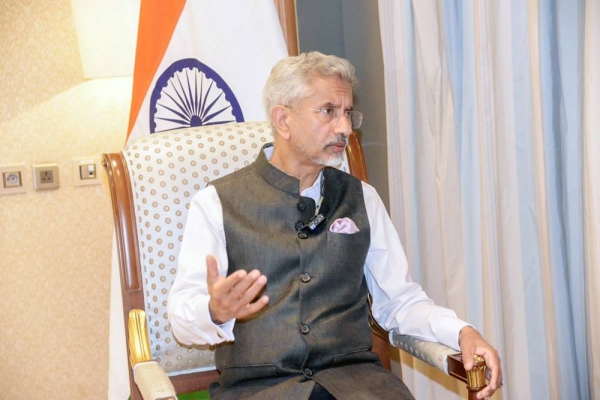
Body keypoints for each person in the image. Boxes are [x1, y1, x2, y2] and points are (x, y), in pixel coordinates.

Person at [168, 51, 502, 399]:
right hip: (260, 390)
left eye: (347, 114)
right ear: (283, 119)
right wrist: (215, 310)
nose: (344, 128)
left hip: (359, 387)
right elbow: (181, 318)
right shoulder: (217, 203)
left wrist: (462, 333)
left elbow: (399, 302)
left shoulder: (362, 198)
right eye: (328, 111)